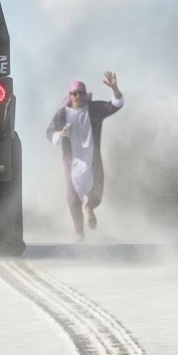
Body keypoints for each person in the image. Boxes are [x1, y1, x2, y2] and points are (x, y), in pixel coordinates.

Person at [45, 72, 123, 240]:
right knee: (73, 200)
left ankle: (89, 208)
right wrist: (61, 134)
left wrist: (114, 88)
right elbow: (50, 133)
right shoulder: (62, 114)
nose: (78, 97)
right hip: (71, 163)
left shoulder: (95, 109)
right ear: (70, 96)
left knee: (97, 194)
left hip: (93, 161)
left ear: (85, 95)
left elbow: (116, 104)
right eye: (74, 94)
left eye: (81, 93)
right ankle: (79, 231)